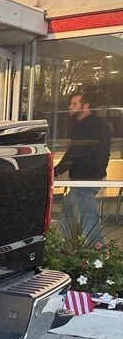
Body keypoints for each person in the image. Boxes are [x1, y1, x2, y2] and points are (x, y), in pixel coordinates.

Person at [54, 91, 111, 243]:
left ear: (85, 106)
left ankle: (97, 250)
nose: (70, 107)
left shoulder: (85, 126)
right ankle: (67, 247)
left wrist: (57, 171)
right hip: (92, 176)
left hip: (84, 178)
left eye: (74, 104)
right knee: (68, 212)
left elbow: (75, 152)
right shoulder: (100, 125)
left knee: (87, 218)